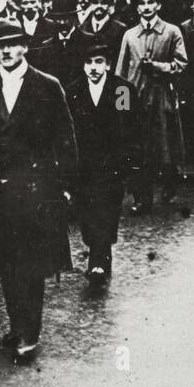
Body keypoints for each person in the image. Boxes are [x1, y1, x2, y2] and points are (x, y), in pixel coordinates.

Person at [0, 19, 78, 366]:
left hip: (36, 194)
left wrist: (67, 187)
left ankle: (30, 332)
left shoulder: (47, 85)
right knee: (7, 264)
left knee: (32, 264)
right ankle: (16, 325)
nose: (4, 52)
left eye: (11, 44)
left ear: (24, 46)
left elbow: (65, 139)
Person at [65, 41, 141, 284]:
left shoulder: (121, 90)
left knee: (107, 212)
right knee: (87, 214)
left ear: (108, 64)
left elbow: (128, 127)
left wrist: (128, 163)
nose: (93, 68)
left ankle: (97, 261)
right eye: (89, 62)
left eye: (99, 62)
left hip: (112, 165)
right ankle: (100, 255)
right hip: (83, 166)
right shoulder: (73, 91)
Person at [115, 0, 187, 212]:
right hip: (136, 98)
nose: (146, 8)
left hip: (161, 96)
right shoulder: (129, 35)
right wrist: (121, 104)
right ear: (136, 8)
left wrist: (158, 66)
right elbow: (120, 72)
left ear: (158, 5)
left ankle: (169, 186)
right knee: (137, 149)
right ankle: (141, 198)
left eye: (150, 3)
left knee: (165, 145)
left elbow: (181, 64)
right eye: (141, 4)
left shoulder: (171, 31)